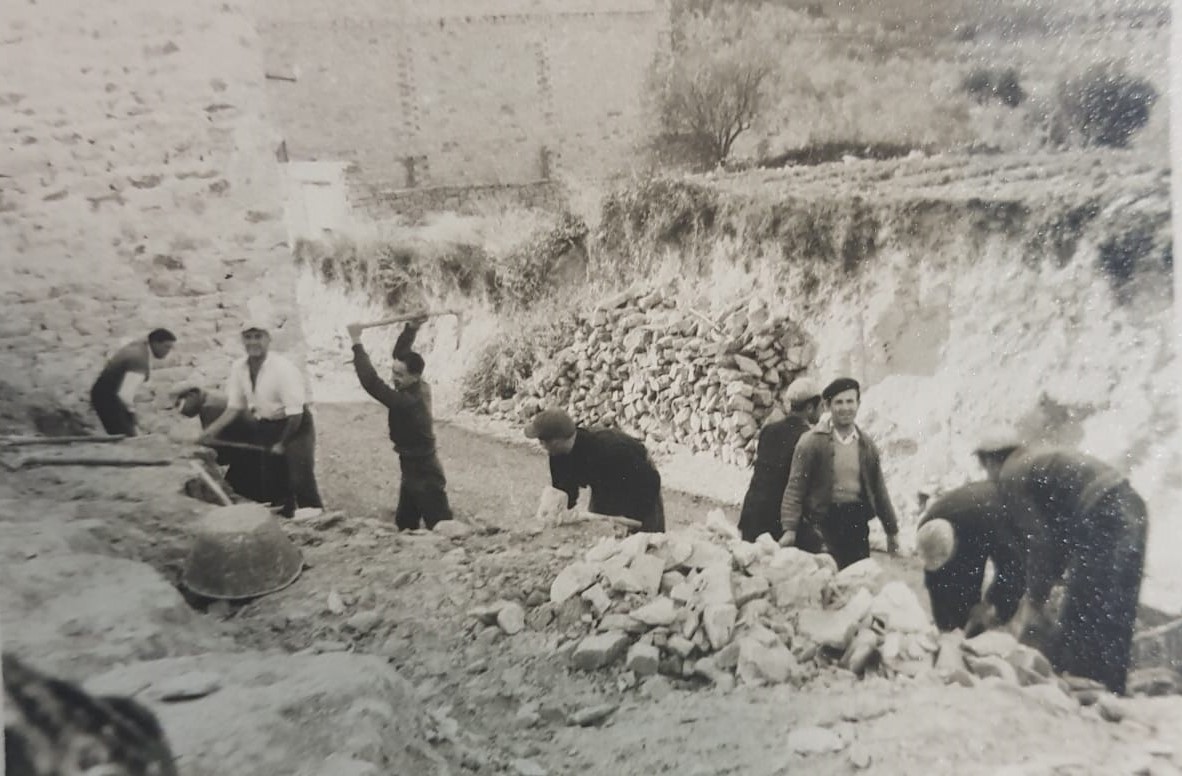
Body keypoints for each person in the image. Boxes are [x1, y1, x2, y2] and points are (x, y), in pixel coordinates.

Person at [968, 431, 1147, 696]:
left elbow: (1039, 541)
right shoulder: (1037, 461)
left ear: (992, 461)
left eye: (986, 469)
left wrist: (1034, 601)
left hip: (1103, 512)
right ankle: (1111, 691)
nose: (989, 477)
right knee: (1118, 608)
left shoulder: (1011, 474)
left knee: (1081, 609)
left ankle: (1083, 691)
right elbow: (1057, 541)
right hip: (1132, 506)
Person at [198, 316, 323, 517]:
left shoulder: (283, 369)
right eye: (248, 337)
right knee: (273, 478)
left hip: (296, 425)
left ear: (268, 339)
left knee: (299, 477)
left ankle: (318, 519)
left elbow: (296, 414)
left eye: (258, 337)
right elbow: (235, 407)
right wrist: (209, 433)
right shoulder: (239, 367)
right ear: (243, 340)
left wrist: (282, 444)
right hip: (268, 424)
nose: (253, 342)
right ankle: (285, 518)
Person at [778, 377, 899, 568]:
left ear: (858, 404)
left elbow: (879, 490)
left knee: (857, 578)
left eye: (850, 401)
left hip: (857, 524)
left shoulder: (867, 446)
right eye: (839, 402)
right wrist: (790, 529)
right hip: (822, 525)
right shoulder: (811, 442)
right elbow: (795, 488)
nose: (845, 408)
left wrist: (891, 531)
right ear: (827, 406)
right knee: (826, 576)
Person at [347, 318, 453, 530]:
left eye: (399, 375)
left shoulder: (408, 401)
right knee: (405, 524)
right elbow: (400, 353)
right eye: (393, 372)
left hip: (425, 471)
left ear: (414, 376)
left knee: (441, 527)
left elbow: (372, 383)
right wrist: (411, 328)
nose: (393, 378)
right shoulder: (417, 386)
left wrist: (356, 342)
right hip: (412, 466)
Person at [526, 408, 665, 533]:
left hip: (637, 482)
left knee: (646, 540)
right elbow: (564, 493)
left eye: (541, 440)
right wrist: (554, 513)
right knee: (599, 532)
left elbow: (650, 482)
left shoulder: (610, 449)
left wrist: (636, 518)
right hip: (603, 485)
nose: (540, 444)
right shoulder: (557, 454)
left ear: (555, 441)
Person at [916, 480, 1023, 632]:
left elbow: (1013, 568)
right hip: (970, 515)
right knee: (954, 602)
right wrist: (944, 625)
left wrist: (992, 605)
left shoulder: (990, 524)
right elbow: (934, 579)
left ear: (956, 544)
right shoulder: (927, 526)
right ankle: (958, 625)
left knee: (1002, 598)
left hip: (1006, 507)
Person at [737, 378, 823, 544]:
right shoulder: (809, 438)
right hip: (779, 526)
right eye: (820, 406)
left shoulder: (769, 430)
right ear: (809, 408)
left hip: (751, 518)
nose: (822, 410)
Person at [172, 383, 288, 505]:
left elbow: (215, 447)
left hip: (255, 453)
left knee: (241, 492)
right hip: (253, 449)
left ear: (192, 395)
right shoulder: (211, 400)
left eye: (179, 404)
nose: (179, 411)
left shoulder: (211, 407)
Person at [89, 328, 176, 436]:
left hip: (107, 394)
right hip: (108, 399)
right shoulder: (139, 359)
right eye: (166, 347)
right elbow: (125, 395)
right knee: (128, 437)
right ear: (155, 343)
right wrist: (132, 414)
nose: (168, 351)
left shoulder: (140, 346)